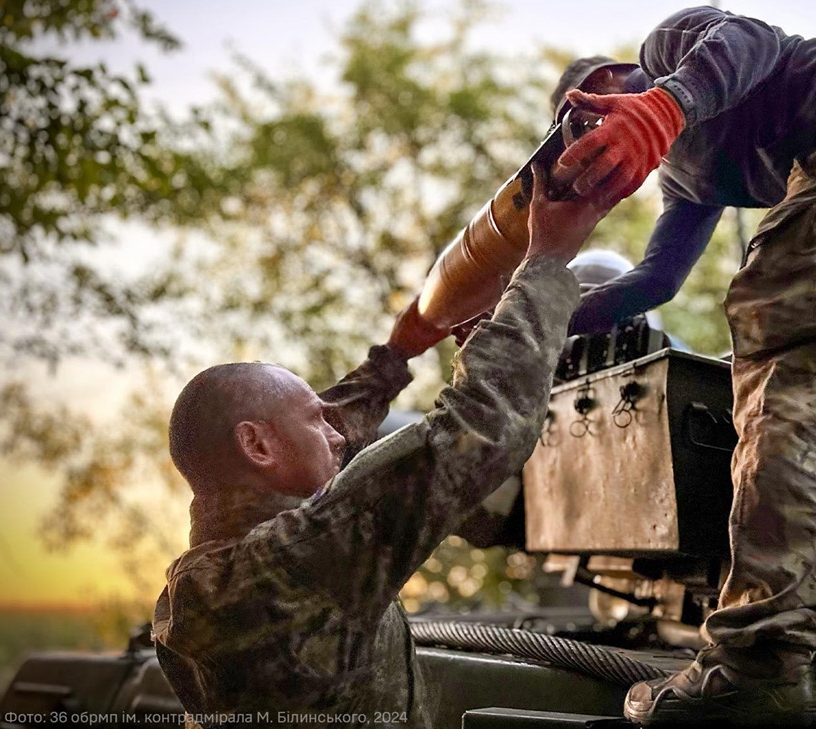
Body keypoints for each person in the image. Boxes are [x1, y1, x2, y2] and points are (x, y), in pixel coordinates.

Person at [551, 7, 816, 725]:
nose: (591, 150)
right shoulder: (688, 182)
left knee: (784, 363)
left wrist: (658, 103)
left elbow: (753, 41)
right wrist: (542, 312)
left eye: (586, 124)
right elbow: (656, 282)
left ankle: (754, 660)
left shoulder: (667, 53)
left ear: (602, 84)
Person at [151, 168, 614, 729]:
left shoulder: (225, 568)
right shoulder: (291, 563)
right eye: (317, 421)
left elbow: (320, 430)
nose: (339, 435)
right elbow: (479, 430)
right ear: (257, 446)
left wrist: (398, 354)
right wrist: (545, 264)